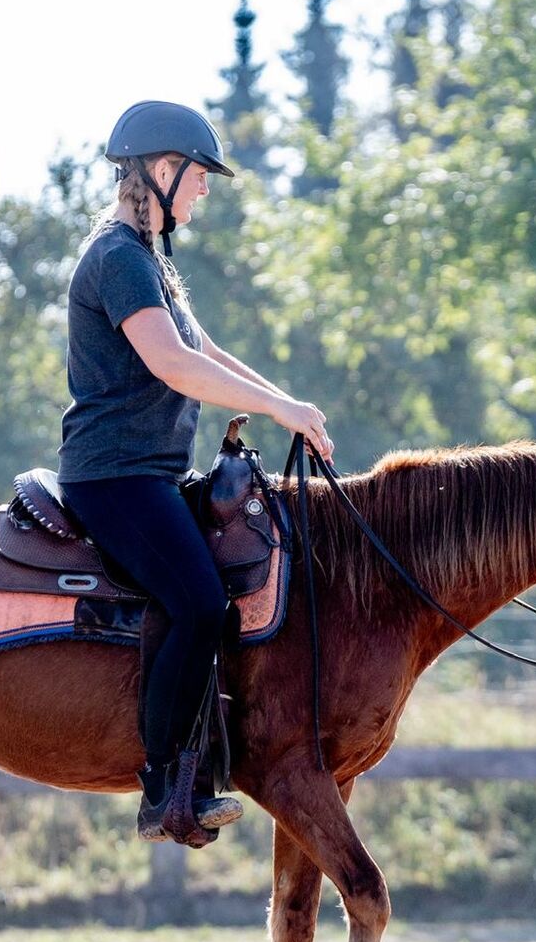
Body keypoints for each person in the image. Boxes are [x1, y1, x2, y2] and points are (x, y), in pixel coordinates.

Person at [58, 100, 334, 841]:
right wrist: (278, 410)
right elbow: (174, 365)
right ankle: (163, 784)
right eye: (199, 174)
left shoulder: (152, 261)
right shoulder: (118, 258)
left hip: (150, 474)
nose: (206, 188)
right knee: (201, 603)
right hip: (113, 478)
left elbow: (207, 353)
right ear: (160, 170)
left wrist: (288, 405)